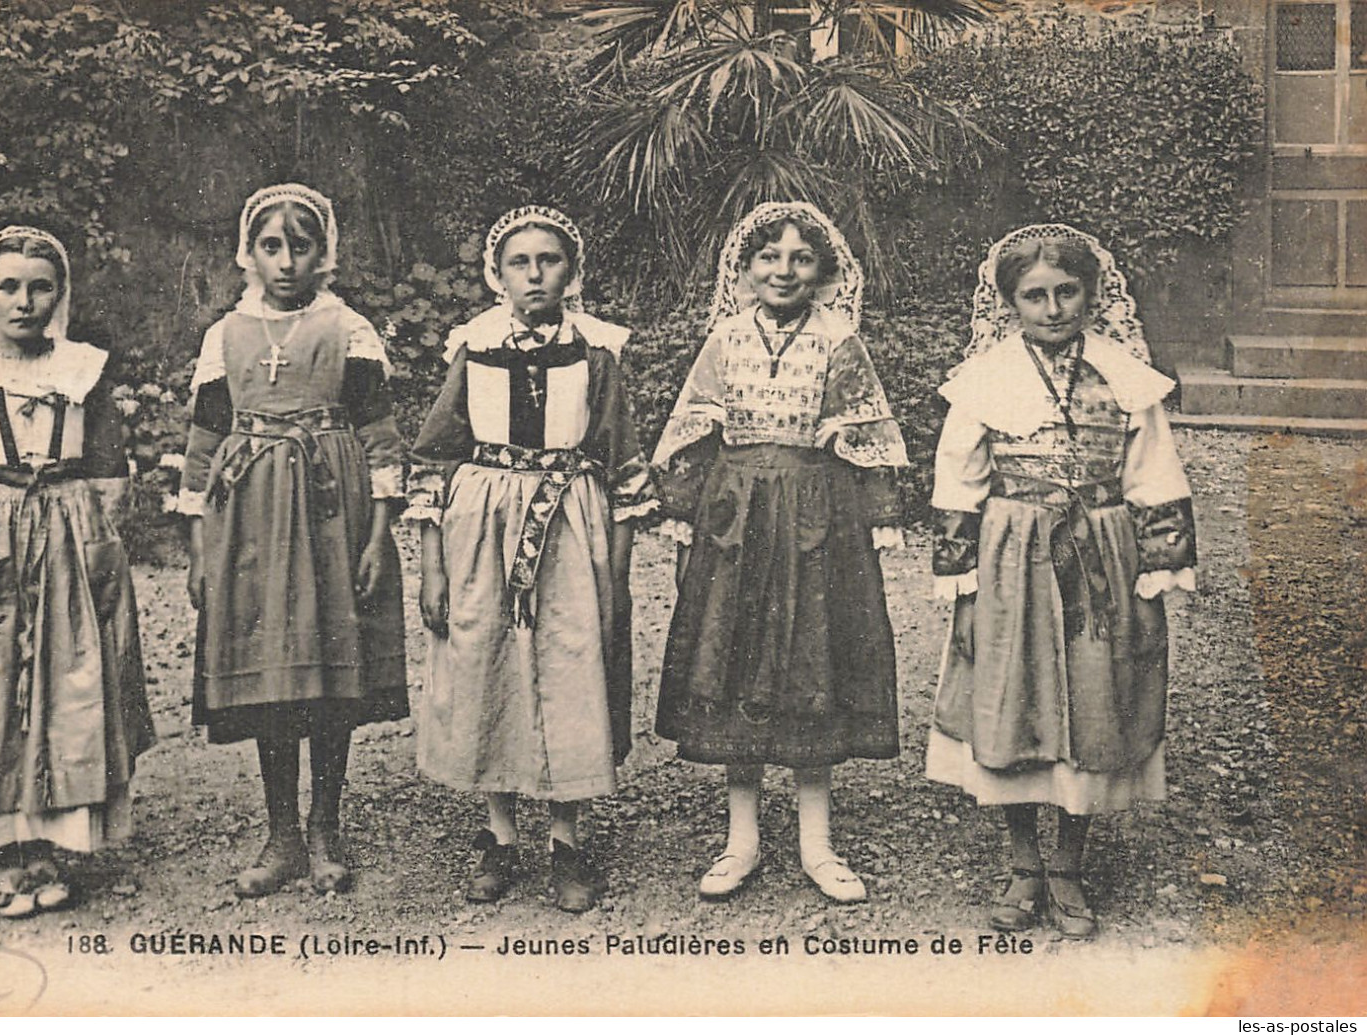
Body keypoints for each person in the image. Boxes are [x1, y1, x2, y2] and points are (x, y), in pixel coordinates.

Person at [926, 224, 1197, 939]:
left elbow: (1153, 474)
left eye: (1065, 292)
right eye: (1034, 296)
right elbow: (958, 480)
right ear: (1009, 302)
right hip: (1013, 551)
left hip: (1100, 552)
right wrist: (959, 578)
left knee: (1092, 694)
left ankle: (1070, 864)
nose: (1051, 308)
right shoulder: (983, 379)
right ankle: (1022, 862)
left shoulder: (1123, 376)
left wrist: (1159, 564)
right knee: (1014, 697)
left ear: (1090, 293)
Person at [653, 201, 908, 904]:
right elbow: (694, 430)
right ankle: (741, 839)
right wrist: (681, 511)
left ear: (823, 270)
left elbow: (866, 433)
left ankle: (816, 841)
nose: (784, 270)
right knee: (735, 656)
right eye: (769, 257)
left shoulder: (838, 339)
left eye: (800, 258)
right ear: (745, 269)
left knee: (809, 655)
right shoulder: (725, 338)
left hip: (814, 518)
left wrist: (879, 512)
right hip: (735, 518)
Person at [407, 206, 657, 913]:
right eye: (520, 262)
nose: (535, 273)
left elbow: (620, 456)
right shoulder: (476, 347)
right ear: (498, 274)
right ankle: (498, 832)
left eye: (549, 260)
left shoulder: (595, 352)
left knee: (568, 666)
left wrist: (617, 568)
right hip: (483, 523)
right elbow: (433, 457)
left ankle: (566, 838)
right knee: (488, 659)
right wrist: (432, 564)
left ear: (570, 271)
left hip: (569, 524)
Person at [0, 225, 155, 918]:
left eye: (39, 286)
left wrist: (102, 546)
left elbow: (107, 465)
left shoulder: (80, 371)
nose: (24, 301)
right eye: (8, 287)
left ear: (59, 293)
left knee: (62, 681)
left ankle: (44, 835)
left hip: (66, 533)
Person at [175, 184, 407, 898]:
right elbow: (203, 443)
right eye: (270, 246)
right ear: (248, 252)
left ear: (323, 253)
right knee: (272, 672)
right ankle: (280, 834)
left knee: (330, 672)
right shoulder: (227, 335)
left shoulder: (348, 330)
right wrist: (196, 546)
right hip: (248, 518)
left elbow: (380, 440)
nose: (284, 262)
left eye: (299, 246)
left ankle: (325, 825)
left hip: (330, 511)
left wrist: (376, 538)